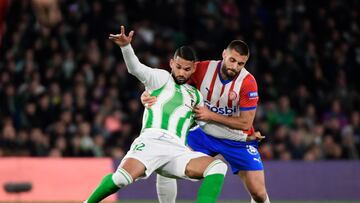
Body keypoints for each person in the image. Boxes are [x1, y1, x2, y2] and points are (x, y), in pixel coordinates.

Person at [84, 26, 228, 203]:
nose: (181, 72)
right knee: (121, 179)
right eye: (178, 67)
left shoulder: (196, 95)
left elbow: (203, 125)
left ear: (193, 70)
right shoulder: (161, 78)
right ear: (171, 64)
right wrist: (126, 47)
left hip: (177, 149)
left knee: (217, 167)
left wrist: (238, 135)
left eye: (187, 69)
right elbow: (136, 69)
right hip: (152, 141)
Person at [142, 40, 270, 203]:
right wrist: (148, 94)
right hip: (204, 133)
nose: (235, 67)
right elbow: (171, 87)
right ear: (224, 54)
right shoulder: (203, 69)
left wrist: (210, 115)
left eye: (240, 63)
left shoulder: (247, 82)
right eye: (232, 60)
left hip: (237, 139)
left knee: (258, 193)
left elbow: (245, 123)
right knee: (164, 164)